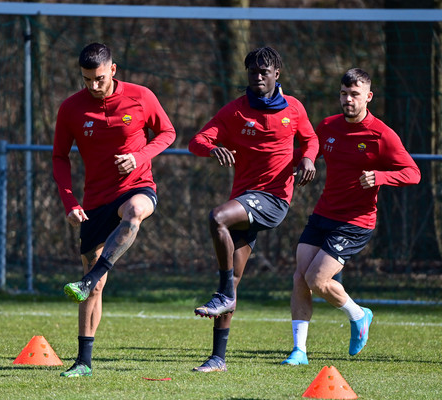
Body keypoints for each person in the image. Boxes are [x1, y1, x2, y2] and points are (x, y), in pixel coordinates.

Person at [188, 46, 319, 372]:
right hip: (245, 198)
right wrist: (212, 147)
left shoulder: (294, 109)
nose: (258, 77)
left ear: (277, 75)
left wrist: (307, 158)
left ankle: (221, 291)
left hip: (274, 198)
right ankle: (218, 358)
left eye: (264, 72)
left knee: (217, 217)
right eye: (252, 73)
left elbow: (311, 140)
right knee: (233, 281)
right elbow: (197, 141)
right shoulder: (235, 111)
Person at [281, 68, 421, 365]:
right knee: (299, 277)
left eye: (355, 94)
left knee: (317, 280)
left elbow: (413, 173)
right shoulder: (328, 126)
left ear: (368, 97)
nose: (348, 99)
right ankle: (299, 351)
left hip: (356, 221)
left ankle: (359, 315)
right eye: (344, 94)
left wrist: (381, 177)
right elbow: (306, 151)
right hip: (323, 213)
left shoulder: (381, 134)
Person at [52, 42, 176, 377]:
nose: (93, 86)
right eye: (86, 79)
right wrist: (70, 201)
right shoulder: (71, 109)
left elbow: (167, 132)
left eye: (100, 78)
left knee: (135, 211)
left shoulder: (141, 96)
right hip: (94, 200)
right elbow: (59, 158)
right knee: (95, 287)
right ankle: (83, 363)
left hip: (137, 186)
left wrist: (140, 157)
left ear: (114, 70)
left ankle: (90, 278)